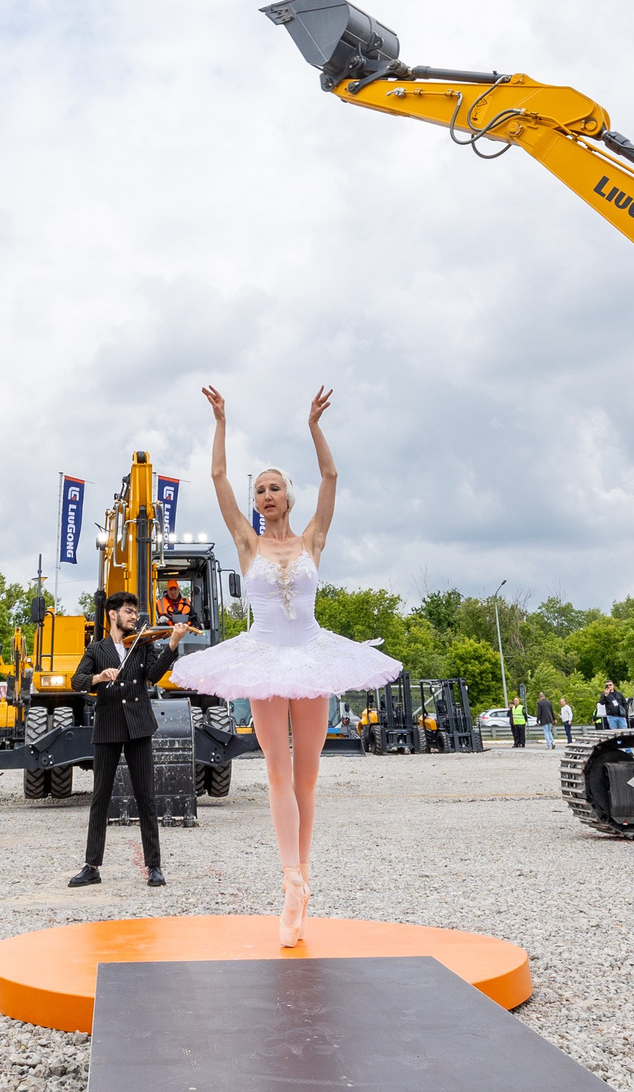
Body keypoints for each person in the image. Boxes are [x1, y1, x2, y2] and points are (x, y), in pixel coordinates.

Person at [168, 386, 402, 948]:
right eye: (260, 490)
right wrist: (221, 420)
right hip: (266, 658)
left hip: (312, 657)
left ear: (287, 498)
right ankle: (290, 882)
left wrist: (314, 425)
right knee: (276, 768)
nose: (265, 495)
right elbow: (219, 479)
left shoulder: (313, 539)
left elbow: (332, 480)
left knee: (308, 774)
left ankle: (304, 875)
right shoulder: (247, 544)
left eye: (273, 488)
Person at [68, 590, 191, 889]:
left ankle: (154, 866)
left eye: (135, 611)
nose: (134, 616)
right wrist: (98, 678)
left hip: (138, 727)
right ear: (112, 614)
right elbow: (77, 681)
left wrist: (172, 644)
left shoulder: (141, 645)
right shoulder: (97, 650)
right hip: (109, 727)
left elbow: (153, 675)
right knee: (100, 799)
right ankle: (92, 866)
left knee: (146, 797)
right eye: (128, 611)